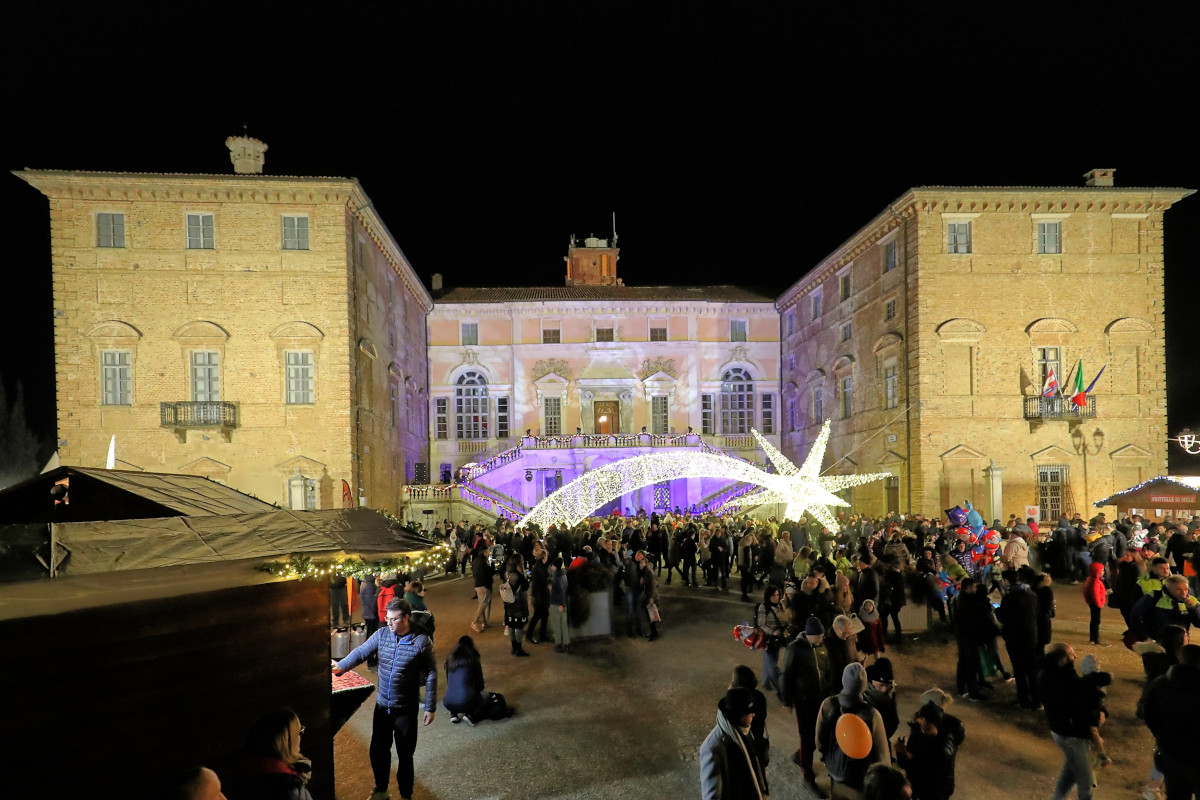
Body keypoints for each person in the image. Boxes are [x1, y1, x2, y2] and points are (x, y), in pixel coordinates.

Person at [333, 598, 437, 800]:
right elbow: (362, 651)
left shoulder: (421, 642)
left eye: (394, 619)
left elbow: (431, 672)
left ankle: (406, 795)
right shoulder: (382, 634)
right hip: (382, 706)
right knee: (378, 751)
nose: (388, 624)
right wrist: (341, 666)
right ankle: (382, 789)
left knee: (405, 756)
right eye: (387, 619)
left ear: (406, 618)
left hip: (405, 709)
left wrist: (430, 707)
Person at [816, 662, 891, 799]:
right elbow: (882, 755)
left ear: (844, 680)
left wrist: (827, 757)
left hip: (835, 772)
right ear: (863, 686)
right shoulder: (871, 715)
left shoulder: (828, 705)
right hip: (859, 778)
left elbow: (820, 740)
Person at [780, 616, 833, 798]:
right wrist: (786, 701)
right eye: (817, 636)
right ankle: (808, 778)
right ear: (809, 635)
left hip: (821, 699)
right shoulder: (795, 649)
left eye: (821, 636)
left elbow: (827, 671)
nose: (820, 639)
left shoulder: (821, 647)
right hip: (803, 701)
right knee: (807, 736)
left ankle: (800, 755)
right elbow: (785, 676)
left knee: (820, 734)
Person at [1038, 643, 1094, 800]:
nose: (1075, 657)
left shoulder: (1046, 674)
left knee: (1071, 768)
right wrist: (1097, 716)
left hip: (1059, 730)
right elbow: (1078, 707)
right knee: (1085, 778)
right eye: (1072, 655)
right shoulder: (1065, 679)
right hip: (1072, 734)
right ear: (1063, 659)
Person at [1143, 643, 1200, 800]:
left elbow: (1150, 716)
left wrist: (1163, 738)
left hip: (1170, 754)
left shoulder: (1160, 684)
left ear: (1181, 658)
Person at [224, 708, 313, 800]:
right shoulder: (290, 789)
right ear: (286, 741)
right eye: (299, 732)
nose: (300, 738)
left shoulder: (241, 780)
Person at [699, 686, 770, 800]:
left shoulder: (743, 731)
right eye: (750, 712)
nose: (753, 715)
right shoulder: (713, 748)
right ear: (741, 717)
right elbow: (712, 796)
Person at [894, 702, 958, 800]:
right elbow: (910, 765)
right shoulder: (918, 732)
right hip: (919, 786)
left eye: (923, 718)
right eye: (921, 718)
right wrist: (901, 753)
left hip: (935, 792)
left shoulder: (943, 749)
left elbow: (922, 773)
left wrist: (904, 754)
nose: (920, 721)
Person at [442, 635, 511, 725]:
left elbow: (449, 681)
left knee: (456, 689)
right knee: (483, 696)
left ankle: (453, 714)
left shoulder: (450, 659)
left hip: (447, 702)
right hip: (466, 701)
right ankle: (469, 715)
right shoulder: (472, 659)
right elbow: (480, 685)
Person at [996, 568, 1040, 709]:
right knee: (1032, 670)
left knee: (1020, 670)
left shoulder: (1009, 598)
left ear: (1007, 581)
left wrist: (996, 610)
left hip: (1015, 637)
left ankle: (1024, 700)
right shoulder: (1032, 595)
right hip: (1031, 635)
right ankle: (1037, 701)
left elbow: (1003, 617)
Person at [731, 665, 771, 771]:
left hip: (741, 742)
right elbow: (763, 716)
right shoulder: (759, 696)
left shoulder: (734, 700)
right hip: (757, 737)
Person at [754, 585, 787, 694]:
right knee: (772, 665)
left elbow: (784, 620)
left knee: (770, 662)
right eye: (773, 595)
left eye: (778, 595)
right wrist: (773, 632)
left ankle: (765, 682)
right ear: (768, 596)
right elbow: (761, 624)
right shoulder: (764, 607)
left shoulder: (781, 606)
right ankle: (780, 688)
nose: (776, 597)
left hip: (777, 640)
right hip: (768, 640)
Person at [864, 658, 900, 741]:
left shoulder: (890, 694)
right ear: (872, 681)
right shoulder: (862, 692)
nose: (884, 690)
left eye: (887, 685)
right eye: (881, 685)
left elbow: (893, 721)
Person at [502, 555, 531, 657]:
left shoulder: (508, 573)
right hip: (518, 603)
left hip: (510, 602)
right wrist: (528, 579)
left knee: (512, 625)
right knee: (518, 626)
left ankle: (514, 647)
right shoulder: (519, 575)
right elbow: (525, 587)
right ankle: (519, 649)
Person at [1081, 561, 1108, 645]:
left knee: (1094, 620)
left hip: (1093, 603)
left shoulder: (1091, 579)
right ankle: (1095, 638)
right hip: (1096, 604)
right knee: (1096, 621)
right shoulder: (1095, 581)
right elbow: (1095, 594)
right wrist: (1099, 604)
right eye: (1102, 571)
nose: (1103, 572)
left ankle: (1093, 638)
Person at [470, 542, 493, 633]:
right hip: (484, 585)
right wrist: (491, 566)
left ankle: (483, 622)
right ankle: (475, 621)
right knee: (483, 604)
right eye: (488, 552)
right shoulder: (484, 562)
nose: (489, 554)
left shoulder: (475, 561)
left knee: (482, 603)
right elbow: (488, 573)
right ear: (484, 553)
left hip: (478, 584)